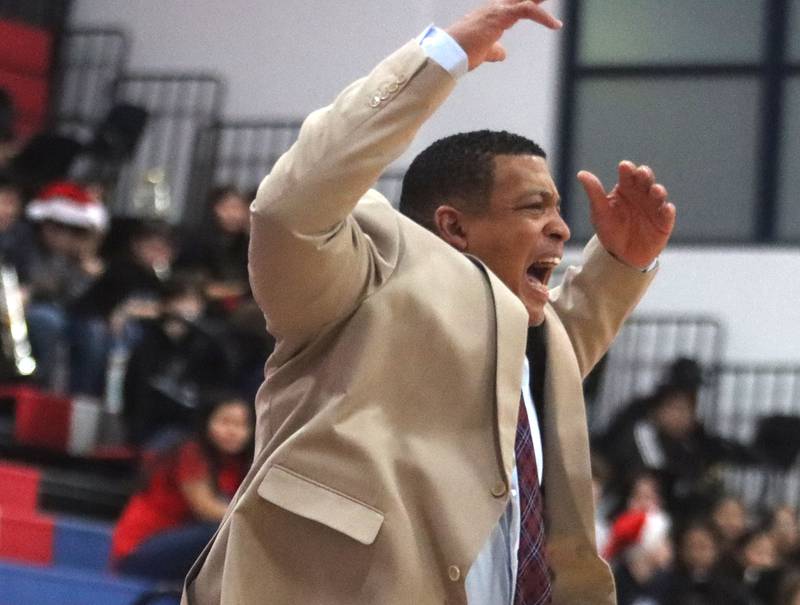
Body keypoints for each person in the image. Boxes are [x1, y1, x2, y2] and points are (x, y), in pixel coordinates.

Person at [182, 2, 676, 604]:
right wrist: (437, 60)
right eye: (533, 207)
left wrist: (622, 261)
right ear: (453, 226)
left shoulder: (524, 339)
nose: (562, 228)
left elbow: (552, 349)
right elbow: (291, 205)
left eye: (556, 209)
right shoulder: (367, 270)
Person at [112, 391, 253, 582]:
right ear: (206, 422)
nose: (233, 432)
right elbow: (206, 508)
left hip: (179, 547)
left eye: (242, 425)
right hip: (138, 551)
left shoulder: (238, 464)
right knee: (218, 532)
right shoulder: (190, 453)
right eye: (225, 422)